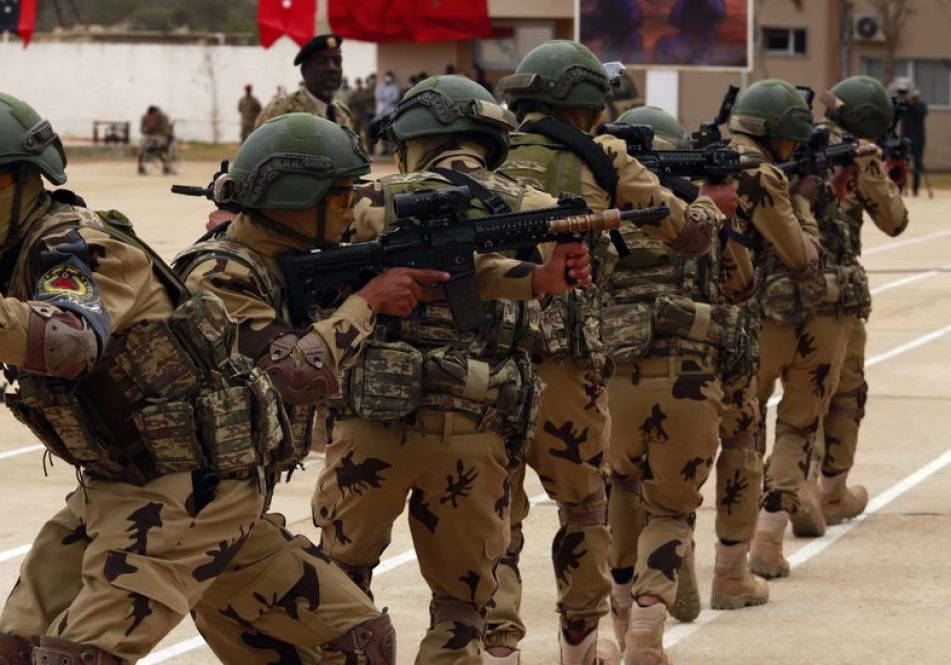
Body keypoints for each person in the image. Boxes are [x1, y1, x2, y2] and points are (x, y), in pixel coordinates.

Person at [0, 91, 285, 665]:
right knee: (12, 653)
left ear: (29, 180)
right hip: (115, 483)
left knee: (72, 658)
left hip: (199, 482)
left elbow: (69, 342)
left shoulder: (77, 246)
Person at [311, 75, 594, 665]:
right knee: (461, 608)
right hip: (472, 429)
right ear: (492, 138)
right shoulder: (536, 210)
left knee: (339, 591)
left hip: (369, 429)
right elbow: (566, 312)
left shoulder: (365, 204)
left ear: (411, 137)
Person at [489, 41, 729, 665]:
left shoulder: (488, 154)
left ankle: (498, 650)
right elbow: (691, 235)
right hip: (568, 365)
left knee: (495, 516)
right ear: (589, 102)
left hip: (489, 364)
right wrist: (704, 200)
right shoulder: (607, 157)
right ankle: (581, 645)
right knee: (583, 509)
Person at [174, 113, 413, 664]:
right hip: (198, 516)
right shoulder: (218, 274)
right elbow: (295, 376)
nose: (350, 209)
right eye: (337, 197)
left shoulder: (278, 264)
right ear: (291, 201)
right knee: (360, 641)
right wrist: (369, 302)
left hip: (228, 513)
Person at [601, 105, 762, 637]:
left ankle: (621, 611)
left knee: (620, 487)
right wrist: (725, 215)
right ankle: (648, 624)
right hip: (688, 377)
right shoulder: (697, 214)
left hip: (613, 382)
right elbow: (740, 286)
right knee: (670, 510)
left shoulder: (600, 211)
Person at [717, 80, 829, 583]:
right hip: (766, 317)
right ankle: (762, 542)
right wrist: (804, 203)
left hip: (716, 320)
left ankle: (710, 569)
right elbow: (802, 259)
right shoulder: (762, 174)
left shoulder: (712, 156)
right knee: (790, 426)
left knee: (733, 435)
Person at [805, 76, 908, 530]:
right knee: (845, 391)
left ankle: (794, 485)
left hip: (781, 293)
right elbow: (895, 220)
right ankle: (832, 491)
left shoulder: (798, 145)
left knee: (797, 396)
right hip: (836, 297)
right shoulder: (860, 157)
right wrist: (883, 176)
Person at [254, 34, 355, 133]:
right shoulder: (281, 112)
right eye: (322, 61)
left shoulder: (343, 112)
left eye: (337, 61)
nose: (332, 68)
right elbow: (258, 148)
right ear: (305, 71)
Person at [898, 82, 929, 197]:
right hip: (905, 138)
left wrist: (913, 103)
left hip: (919, 138)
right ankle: (902, 188)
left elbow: (923, 112)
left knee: (917, 164)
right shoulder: (904, 105)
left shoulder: (920, 104)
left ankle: (915, 189)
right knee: (903, 163)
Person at [139, 104, 175, 175]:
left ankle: (166, 166)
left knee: (155, 147)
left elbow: (164, 131)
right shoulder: (146, 118)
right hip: (150, 138)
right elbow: (143, 130)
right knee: (142, 148)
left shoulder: (163, 118)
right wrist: (148, 129)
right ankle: (141, 166)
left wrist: (151, 129)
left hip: (161, 138)